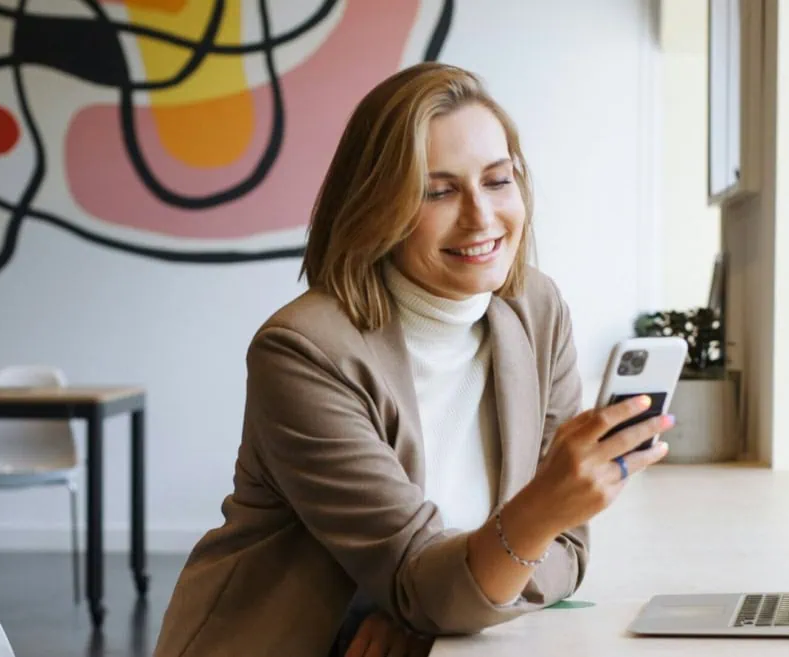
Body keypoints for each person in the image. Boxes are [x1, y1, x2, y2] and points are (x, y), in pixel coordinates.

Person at [152, 62, 674, 657]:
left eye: (498, 181)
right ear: (379, 205)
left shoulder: (537, 309)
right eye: (438, 191)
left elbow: (566, 557)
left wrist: (440, 608)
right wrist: (455, 583)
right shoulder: (303, 352)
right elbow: (488, 562)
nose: (481, 216)